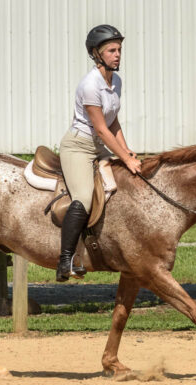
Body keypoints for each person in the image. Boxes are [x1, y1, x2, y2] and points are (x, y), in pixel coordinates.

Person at [55, 24, 142, 282]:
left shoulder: (116, 81)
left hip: (98, 146)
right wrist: (124, 158)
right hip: (79, 147)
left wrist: (127, 151)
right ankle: (65, 260)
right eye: (112, 50)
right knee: (83, 197)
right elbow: (102, 130)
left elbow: (113, 121)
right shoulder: (89, 85)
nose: (117, 55)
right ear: (96, 54)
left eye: (119, 50)